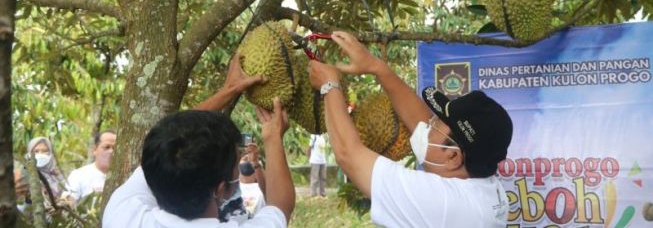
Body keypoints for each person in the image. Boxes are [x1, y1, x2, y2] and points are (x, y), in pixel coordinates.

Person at [308, 31, 513, 228]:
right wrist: (376, 67)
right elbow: (421, 120)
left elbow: (349, 155)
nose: (426, 125)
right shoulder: (486, 186)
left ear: (452, 157)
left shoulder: (444, 204)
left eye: (435, 124)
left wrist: (329, 86)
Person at [103, 55, 295, 227]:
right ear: (220, 190)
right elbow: (281, 205)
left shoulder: (124, 216)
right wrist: (273, 137)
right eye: (236, 163)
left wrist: (229, 90)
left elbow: (175, 135)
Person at [14, 137, 70, 213]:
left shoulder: (57, 174)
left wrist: (62, 202)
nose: (40, 154)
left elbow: (68, 196)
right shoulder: (22, 173)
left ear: (50, 153)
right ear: (29, 153)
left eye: (45, 151)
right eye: (36, 151)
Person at [66, 129, 116, 203]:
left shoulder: (127, 177)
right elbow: (67, 203)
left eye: (115, 148)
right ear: (95, 150)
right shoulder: (78, 175)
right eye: (107, 147)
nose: (111, 151)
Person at [239, 142, 267, 215]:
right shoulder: (232, 188)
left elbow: (266, 187)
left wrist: (255, 162)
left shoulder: (262, 189)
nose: (247, 159)